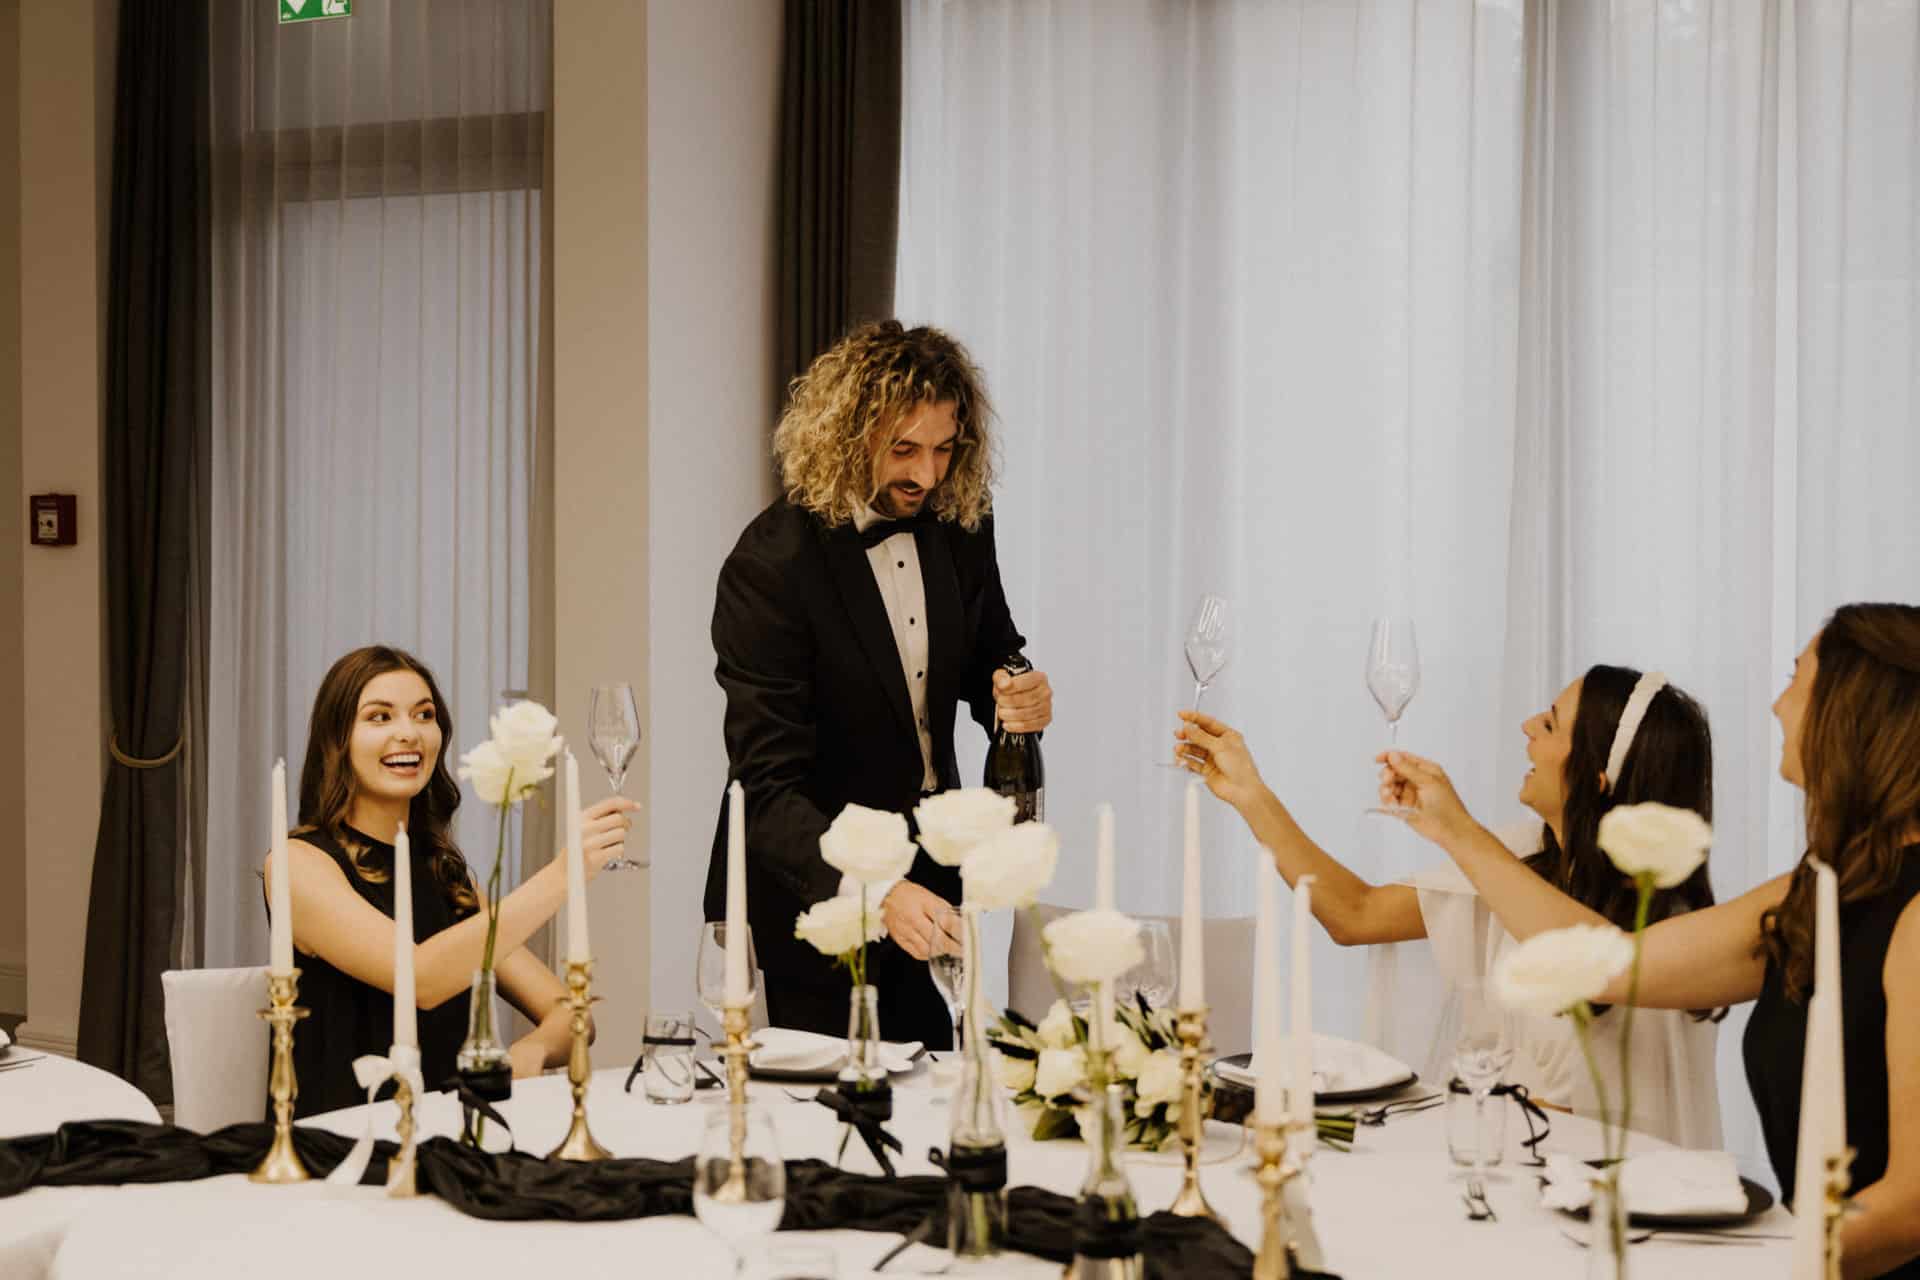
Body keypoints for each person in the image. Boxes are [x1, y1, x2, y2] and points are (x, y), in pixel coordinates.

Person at [1379, 604, 1920, 1278]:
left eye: (1795, 677)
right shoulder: (1821, 886)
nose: (1778, 705)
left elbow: (1909, 1209)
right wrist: (1451, 829)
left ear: (1852, 709)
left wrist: (1756, 1264)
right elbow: (1611, 966)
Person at [1174, 664, 1723, 1146]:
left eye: (1551, 724)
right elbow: (1356, 913)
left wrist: (1457, 829)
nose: (1528, 726)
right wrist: (1250, 792)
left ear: (1595, 778)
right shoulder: (1519, 857)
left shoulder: (1661, 931)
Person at [706, 321, 1052, 1047]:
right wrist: (873, 890)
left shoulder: (959, 520)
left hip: (934, 862)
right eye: (904, 450)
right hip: (817, 885)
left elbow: (995, 651)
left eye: (942, 449)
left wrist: (1015, 694)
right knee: (832, 1117)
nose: (926, 475)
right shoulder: (771, 565)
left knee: (937, 1093)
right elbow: (767, 790)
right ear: (846, 436)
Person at [263, 645, 637, 1117]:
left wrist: (532, 1052)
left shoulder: (443, 873)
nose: (409, 733)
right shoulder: (300, 863)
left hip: (454, 1131)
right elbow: (421, 978)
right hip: (347, 1140)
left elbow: (568, 1011)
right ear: (337, 739)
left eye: (424, 715)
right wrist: (564, 876)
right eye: (379, 718)